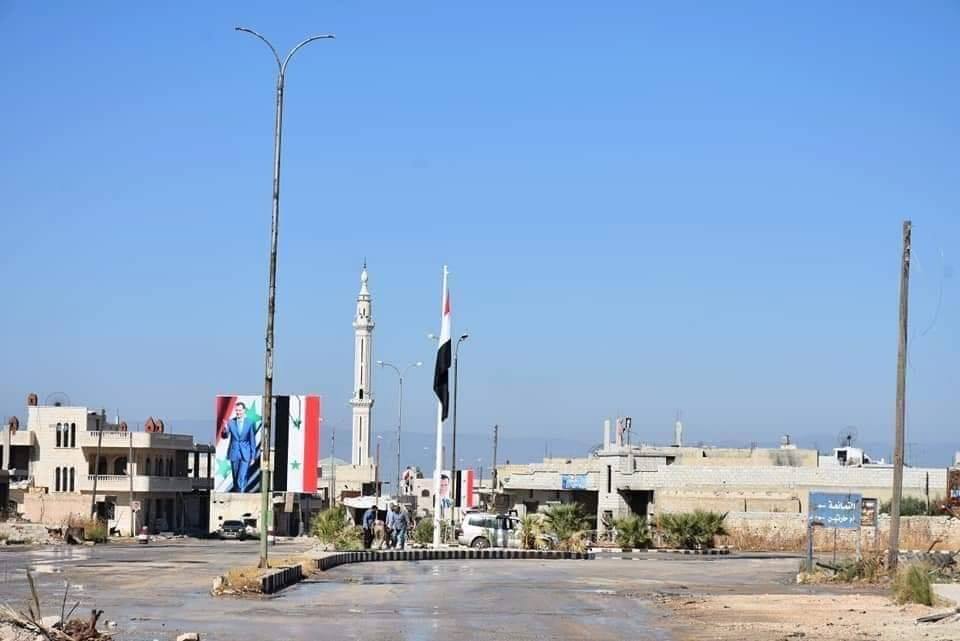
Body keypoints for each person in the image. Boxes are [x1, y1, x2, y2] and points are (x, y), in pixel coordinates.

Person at [221, 402, 257, 492]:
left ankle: (241, 493)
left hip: (246, 454)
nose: (238, 412)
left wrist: (253, 456)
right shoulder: (231, 422)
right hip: (234, 453)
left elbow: (252, 441)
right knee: (236, 477)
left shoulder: (249, 423)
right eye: (236, 410)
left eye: (240, 410)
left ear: (244, 411)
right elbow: (225, 436)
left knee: (242, 476)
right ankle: (238, 492)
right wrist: (225, 429)